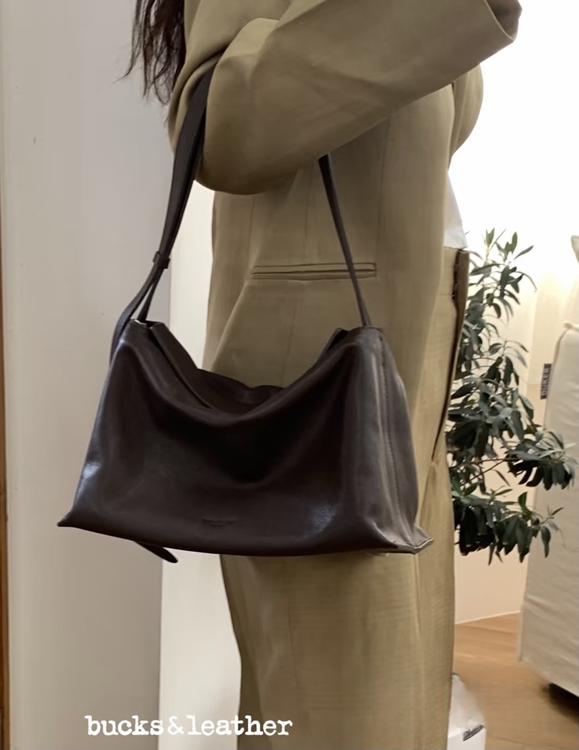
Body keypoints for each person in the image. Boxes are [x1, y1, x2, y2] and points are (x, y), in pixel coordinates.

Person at [131, 1, 522, 747]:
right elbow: (220, 128)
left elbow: (427, 118)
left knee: (399, 687)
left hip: (406, 342)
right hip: (319, 379)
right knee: (338, 712)